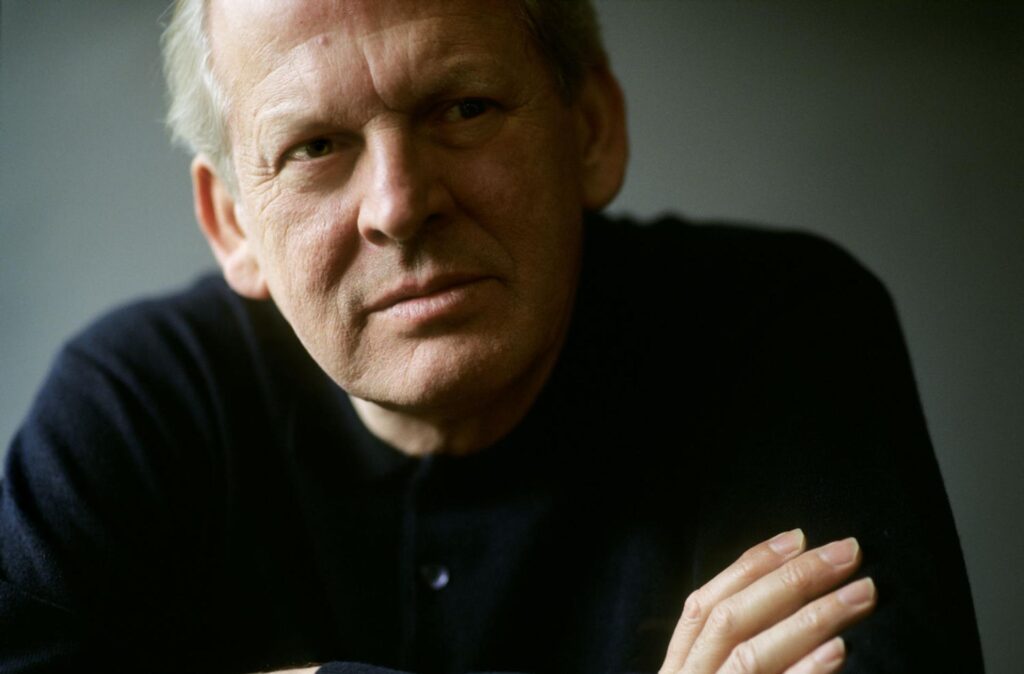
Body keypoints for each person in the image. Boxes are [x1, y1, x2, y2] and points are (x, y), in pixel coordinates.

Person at [0, 1, 983, 673]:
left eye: (462, 108)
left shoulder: (781, 326)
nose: (399, 205)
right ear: (231, 224)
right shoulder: (132, 404)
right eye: (315, 146)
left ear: (590, 130)